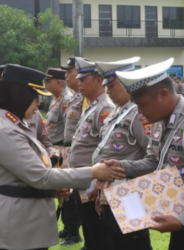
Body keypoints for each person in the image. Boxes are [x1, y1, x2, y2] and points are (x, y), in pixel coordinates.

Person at [106, 58, 184, 250]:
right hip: (178, 217)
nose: (140, 112)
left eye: (142, 104)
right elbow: (154, 162)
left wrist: (183, 220)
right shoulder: (159, 122)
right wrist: (122, 166)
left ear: (162, 94)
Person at [0, 64, 119, 250]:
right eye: (35, 97)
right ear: (20, 95)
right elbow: (41, 176)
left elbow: (22, 177)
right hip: (19, 228)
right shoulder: (6, 130)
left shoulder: (13, 125)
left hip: (25, 223)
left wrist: (49, 191)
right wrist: (94, 172)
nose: (38, 104)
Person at [93, 57, 153, 250]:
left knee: (133, 244)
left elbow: (153, 157)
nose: (107, 92)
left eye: (111, 86)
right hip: (110, 192)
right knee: (114, 242)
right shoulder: (117, 112)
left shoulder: (139, 113)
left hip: (129, 194)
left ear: (127, 82)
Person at [68, 57, 114, 250]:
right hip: (82, 179)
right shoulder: (92, 105)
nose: (79, 84)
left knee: (96, 231)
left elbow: (106, 146)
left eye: (83, 80)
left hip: (92, 181)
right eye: (78, 79)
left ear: (97, 80)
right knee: (89, 228)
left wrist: (98, 182)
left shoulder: (105, 108)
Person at [59, 57, 86, 246]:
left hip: (84, 158)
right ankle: (74, 231)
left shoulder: (95, 102)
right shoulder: (77, 98)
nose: (66, 76)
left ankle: (76, 233)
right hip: (69, 151)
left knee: (82, 201)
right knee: (72, 198)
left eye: (70, 72)